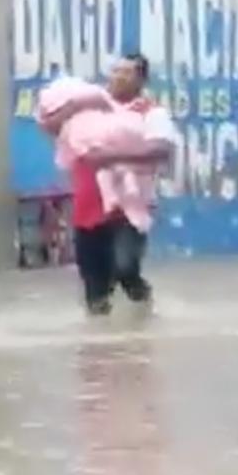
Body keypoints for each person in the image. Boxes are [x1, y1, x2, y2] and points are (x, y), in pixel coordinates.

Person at [70, 53, 175, 315]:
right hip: (89, 206)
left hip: (130, 207)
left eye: (126, 73)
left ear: (141, 80)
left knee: (125, 267)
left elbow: (161, 149)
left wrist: (113, 156)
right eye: (115, 71)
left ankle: (145, 309)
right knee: (94, 287)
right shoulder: (92, 112)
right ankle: (102, 335)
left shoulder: (151, 113)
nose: (118, 77)